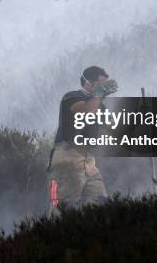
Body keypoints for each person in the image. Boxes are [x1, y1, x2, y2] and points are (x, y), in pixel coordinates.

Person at [47, 65, 118, 215]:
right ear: (88, 83)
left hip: (88, 161)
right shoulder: (71, 97)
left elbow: (112, 125)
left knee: (100, 203)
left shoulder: (98, 104)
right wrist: (100, 95)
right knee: (65, 208)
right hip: (67, 158)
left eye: (107, 85)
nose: (105, 88)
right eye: (101, 85)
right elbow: (85, 112)